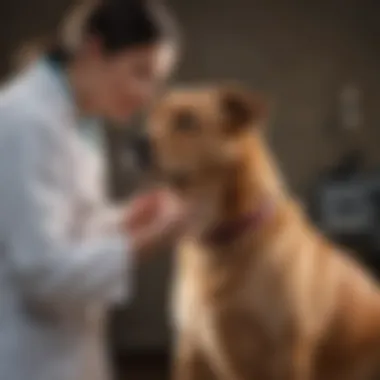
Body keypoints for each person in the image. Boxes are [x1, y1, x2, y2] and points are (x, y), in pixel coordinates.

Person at [0, 1, 184, 379]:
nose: (148, 95)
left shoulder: (80, 120)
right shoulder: (22, 119)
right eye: (141, 72)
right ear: (94, 49)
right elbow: (41, 270)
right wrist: (144, 243)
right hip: (25, 355)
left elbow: (70, 225)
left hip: (69, 347)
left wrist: (124, 220)